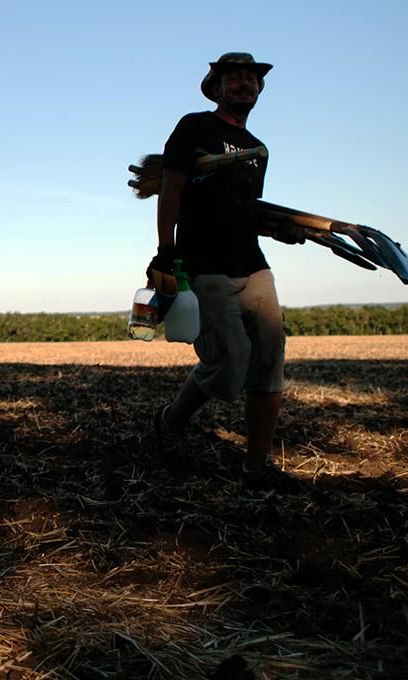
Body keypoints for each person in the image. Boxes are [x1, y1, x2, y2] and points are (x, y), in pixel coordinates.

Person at [148, 53, 306, 489]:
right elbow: (171, 191)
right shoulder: (195, 128)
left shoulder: (259, 149)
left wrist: (282, 230)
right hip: (205, 266)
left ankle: (256, 467)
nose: (245, 84)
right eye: (234, 78)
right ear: (215, 88)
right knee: (230, 363)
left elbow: (246, 211)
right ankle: (171, 420)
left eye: (252, 79)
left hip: (253, 266)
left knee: (269, 360)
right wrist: (166, 251)